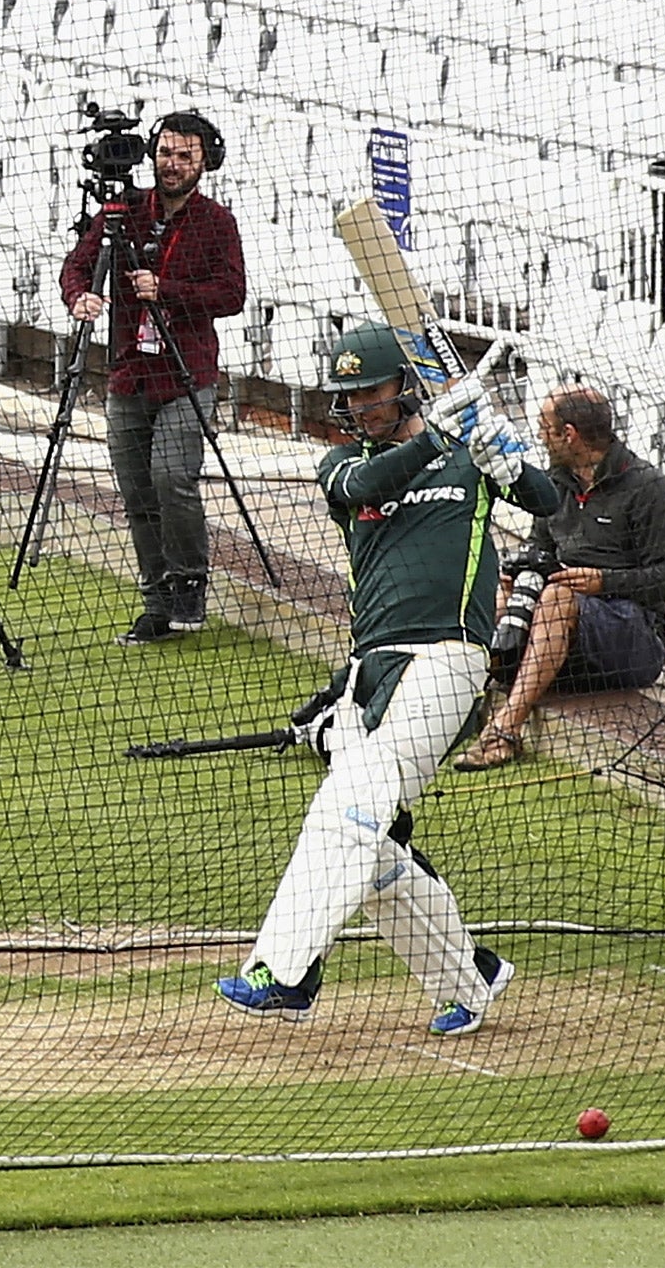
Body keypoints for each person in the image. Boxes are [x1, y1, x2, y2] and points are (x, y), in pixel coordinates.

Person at [217, 323, 560, 1035]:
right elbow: (373, 481)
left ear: (401, 385)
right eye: (348, 395)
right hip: (371, 670)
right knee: (371, 854)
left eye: (369, 391)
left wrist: (503, 457)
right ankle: (472, 975)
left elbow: (550, 502)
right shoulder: (342, 466)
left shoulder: (464, 458)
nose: (358, 406)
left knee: (350, 812)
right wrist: (437, 438)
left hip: (451, 657)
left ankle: (284, 972)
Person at [60, 111, 245, 645]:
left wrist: (165, 290)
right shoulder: (122, 213)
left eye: (185, 155)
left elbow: (231, 295)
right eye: (166, 153)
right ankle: (155, 600)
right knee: (137, 492)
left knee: (172, 477)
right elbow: (77, 265)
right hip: (128, 373)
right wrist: (81, 297)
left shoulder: (216, 223)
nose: (173, 164)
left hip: (187, 374)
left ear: (204, 161)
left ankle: (190, 579)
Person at [455, 385, 665, 771]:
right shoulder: (554, 482)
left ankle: (504, 732)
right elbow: (540, 548)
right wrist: (517, 579)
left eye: (545, 427)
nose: (540, 436)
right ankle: (453, 711)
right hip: (565, 635)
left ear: (569, 433)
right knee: (491, 601)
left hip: (634, 640)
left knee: (556, 599)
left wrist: (603, 582)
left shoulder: (648, 487)